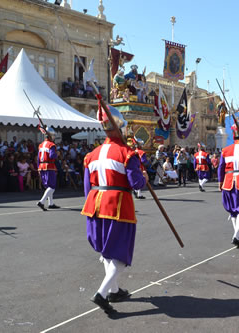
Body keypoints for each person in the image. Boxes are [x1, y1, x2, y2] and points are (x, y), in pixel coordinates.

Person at [82, 101, 147, 315]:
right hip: (118, 205)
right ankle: (101, 293)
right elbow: (136, 183)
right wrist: (144, 178)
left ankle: (114, 290)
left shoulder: (92, 155)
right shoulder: (127, 153)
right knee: (119, 253)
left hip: (94, 204)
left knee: (106, 251)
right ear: (120, 127)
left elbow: (86, 187)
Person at [37, 126, 60, 211]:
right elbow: (52, 156)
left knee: (48, 186)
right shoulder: (52, 145)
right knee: (52, 186)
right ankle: (41, 202)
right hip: (49, 167)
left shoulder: (41, 145)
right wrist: (57, 153)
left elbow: (38, 158)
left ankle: (51, 203)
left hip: (42, 167)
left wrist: (38, 168)